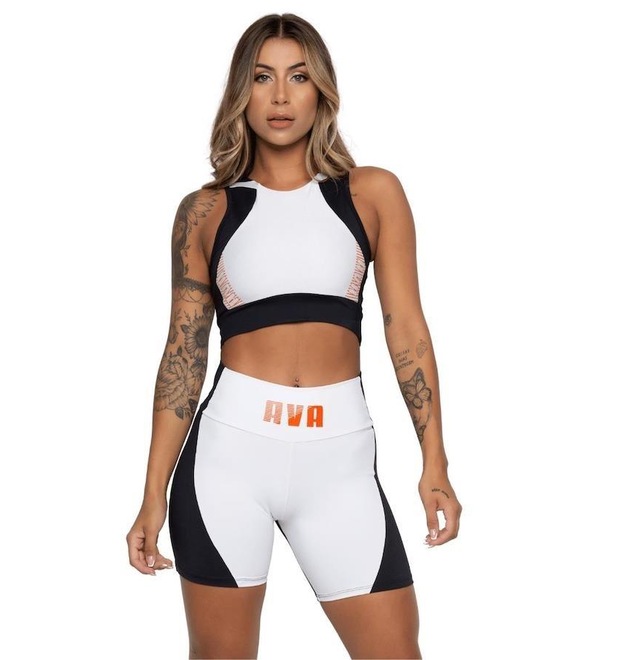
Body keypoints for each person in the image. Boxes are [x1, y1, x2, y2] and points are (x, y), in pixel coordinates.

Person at [126, 12, 462, 659]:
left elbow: (408, 332)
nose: (280, 96)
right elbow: (183, 356)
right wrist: (151, 495)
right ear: (241, 91)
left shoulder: (372, 194)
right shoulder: (204, 211)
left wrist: (435, 461)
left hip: (340, 463)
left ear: (321, 90)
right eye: (263, 77)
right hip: (227, 460)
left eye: (298, 77)